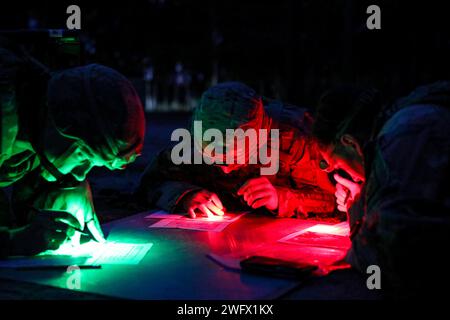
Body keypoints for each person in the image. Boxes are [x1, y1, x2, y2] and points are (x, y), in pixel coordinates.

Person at [0, 37, 145, 257]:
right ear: (61, 122)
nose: (80, 174)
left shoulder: (36, 110)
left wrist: (63, 186)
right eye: (84, 157)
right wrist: (11, 241)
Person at [312, 82, 450, 298]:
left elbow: (387, 258)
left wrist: (362, 212)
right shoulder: (411, 124)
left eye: (337, 165)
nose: (348, 175)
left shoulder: (407, 134)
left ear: (349, 142)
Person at [136, 82, 336, 220]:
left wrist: (280, 198)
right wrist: (185, 195)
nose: (225, 170)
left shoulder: (294, 139)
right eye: (212, 158)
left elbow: (335, 199)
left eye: (235, 159)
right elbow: (151, 181)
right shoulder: (195, 137)